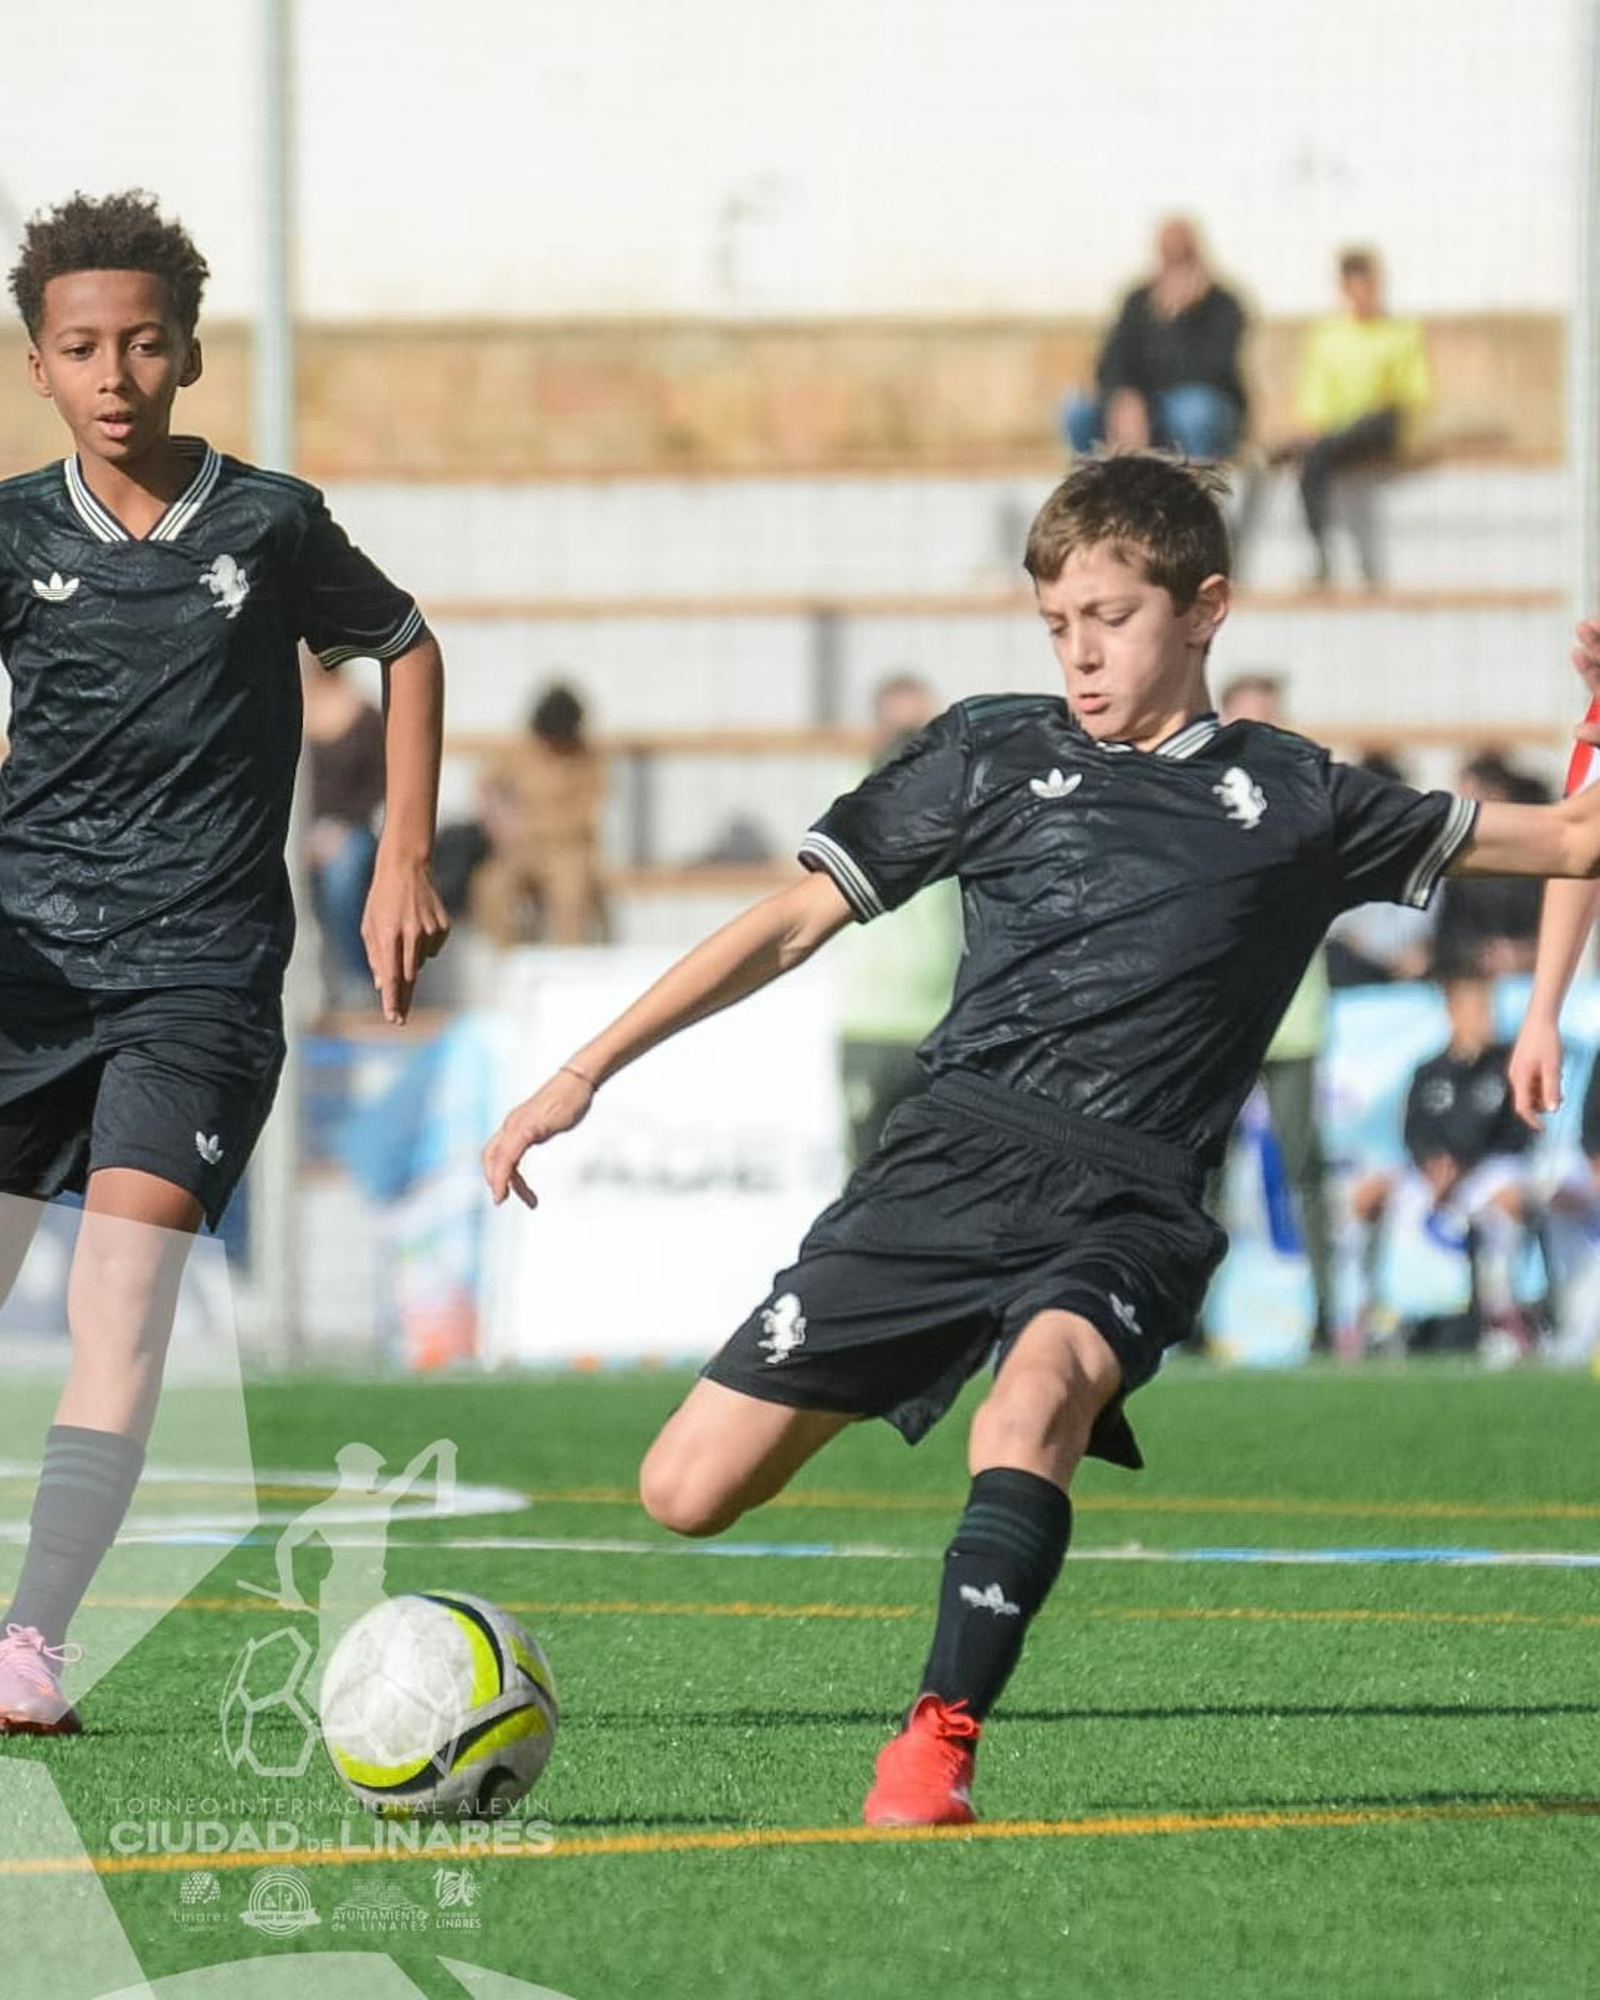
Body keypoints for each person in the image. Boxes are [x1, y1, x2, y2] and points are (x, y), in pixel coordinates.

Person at [482, 451, 1600, 1829]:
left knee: (1036, 1402)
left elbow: (1581, 843)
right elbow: (787, 922)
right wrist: (586, 1068)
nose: (1079, 656)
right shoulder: (990, 750)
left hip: (1129, 1198)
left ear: (1206, 610)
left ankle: (935, 1744)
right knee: (682, 1490)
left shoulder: (1299, 797)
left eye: (1110, 621)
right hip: (943, 1170)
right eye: (1056, 624)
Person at [0, 191, 450, 1731]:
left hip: (198, 974)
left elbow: (403, 647)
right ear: (39, 365)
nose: (113, 370)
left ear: (189, 354)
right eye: (81, 347)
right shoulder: (11, 531)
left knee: (117, 1307)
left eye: (142, 341)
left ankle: (30, 1641)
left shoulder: (268, 524)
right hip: (24, 976)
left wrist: (401, 854)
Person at [1212, 674, 1334, 1348]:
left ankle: (1326, 1318)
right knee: (1200, 1174)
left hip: (1294, 1017)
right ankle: (1188, 1320)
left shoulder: (1308, 797)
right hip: (1219, 1022)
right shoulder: (1194, 801)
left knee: (1305, 1171)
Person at [1352, 970, 1537, 1354]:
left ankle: (1501, 1313)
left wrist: (1462, 1168)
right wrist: (1431, 1165)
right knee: (1366, 1197)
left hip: (1486, 1172)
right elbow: (1413, 1131)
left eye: (1488, 1007)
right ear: (1452, 1012)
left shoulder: (1507, 1066)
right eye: (1476, 1008)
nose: (1486, 1017)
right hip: (1430, 1174)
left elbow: (1519, 1135)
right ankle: (1376, 1314)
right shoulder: (1429, 1070)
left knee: (1510, 1197)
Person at [838, 674, 965, 1166]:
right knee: (866, 1175)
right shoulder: (850, 795)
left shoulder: (960, 803)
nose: (912, 743)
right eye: (901, 730)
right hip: (871, 1021)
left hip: (943, 1026)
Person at [1278, 248, 1432, 587]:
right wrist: (1317, 426)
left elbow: (1412, 394)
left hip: (1378, 428)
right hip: (1338, 436)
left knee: (1370, 422)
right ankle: (1319, 552)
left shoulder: (1400, 331)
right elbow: (1315, 392)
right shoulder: (1327, 336)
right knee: (1313, 460)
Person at [1063, 218, 1247, 462]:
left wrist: (1178, 320)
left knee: (1195, 410)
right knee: (1078, 410)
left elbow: (1212, 372)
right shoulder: (1137, 301)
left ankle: (1198, 485)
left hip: (1200, 409)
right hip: (1145, 404)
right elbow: (1112, 360)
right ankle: (1092, 488)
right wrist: (1124, 396)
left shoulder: (1224, 305)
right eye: (1168, 257)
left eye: (1182, 257)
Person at [468, 682, 607, 947]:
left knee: (571, 898)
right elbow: (485, 786)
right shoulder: (521, 749)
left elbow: (591, 812)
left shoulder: (587, 757)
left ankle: (566, 968)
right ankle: (509, 963)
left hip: (568, 849)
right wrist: (502, 825)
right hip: (522, 846)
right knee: (492, 888)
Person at [301, 649, 387, 1007]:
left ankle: (355, 978)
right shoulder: (291, 707)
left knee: (343, 878)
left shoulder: (363, 715)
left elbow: (379, 784)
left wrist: (337, 829)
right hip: (301, 832)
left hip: (349, 828)